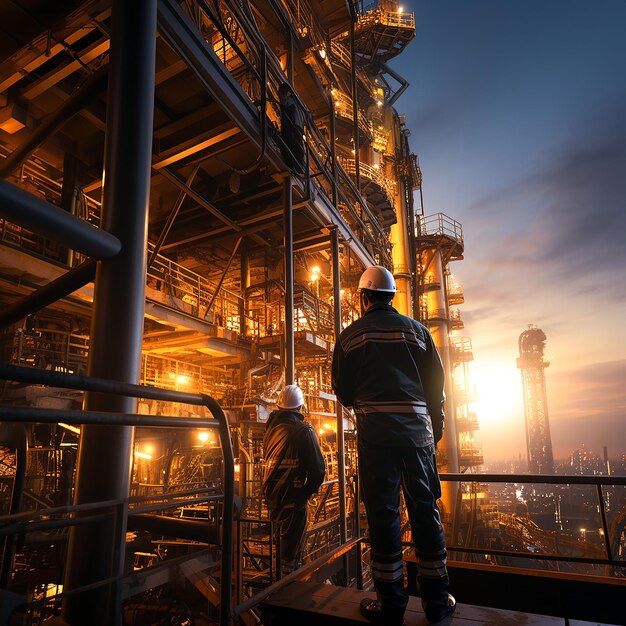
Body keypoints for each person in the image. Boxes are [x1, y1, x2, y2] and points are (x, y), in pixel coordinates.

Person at [332, 266, 455, 625]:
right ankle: (436, 602)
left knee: (384, 515)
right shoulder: (418, 333)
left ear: (363, 297)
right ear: (391, 297)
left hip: (378, 438)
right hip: (419, 437)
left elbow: (343, 391)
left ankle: (390, 605)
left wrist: (371, 405)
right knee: (425, 510)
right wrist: (435, 427)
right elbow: (436, 386)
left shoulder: (350, 337)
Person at [261, 384, 325, 574]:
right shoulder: (304, 430)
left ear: (279, 406)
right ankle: (287, 586)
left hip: (272, 498)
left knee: (279, 545)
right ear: (301, 407)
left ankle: (278, 580)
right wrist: (304, 494)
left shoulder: (270, 429)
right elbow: (318, 470)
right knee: (291, 551)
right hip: (293, 499)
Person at [278, 82, 306, 174]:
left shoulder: (290, 100)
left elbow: (286, 106)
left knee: (291, 144)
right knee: (297, 146)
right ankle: (300, 166)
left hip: (293, 126)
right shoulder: (299, 103)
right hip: (299, 127)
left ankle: (294, 166)